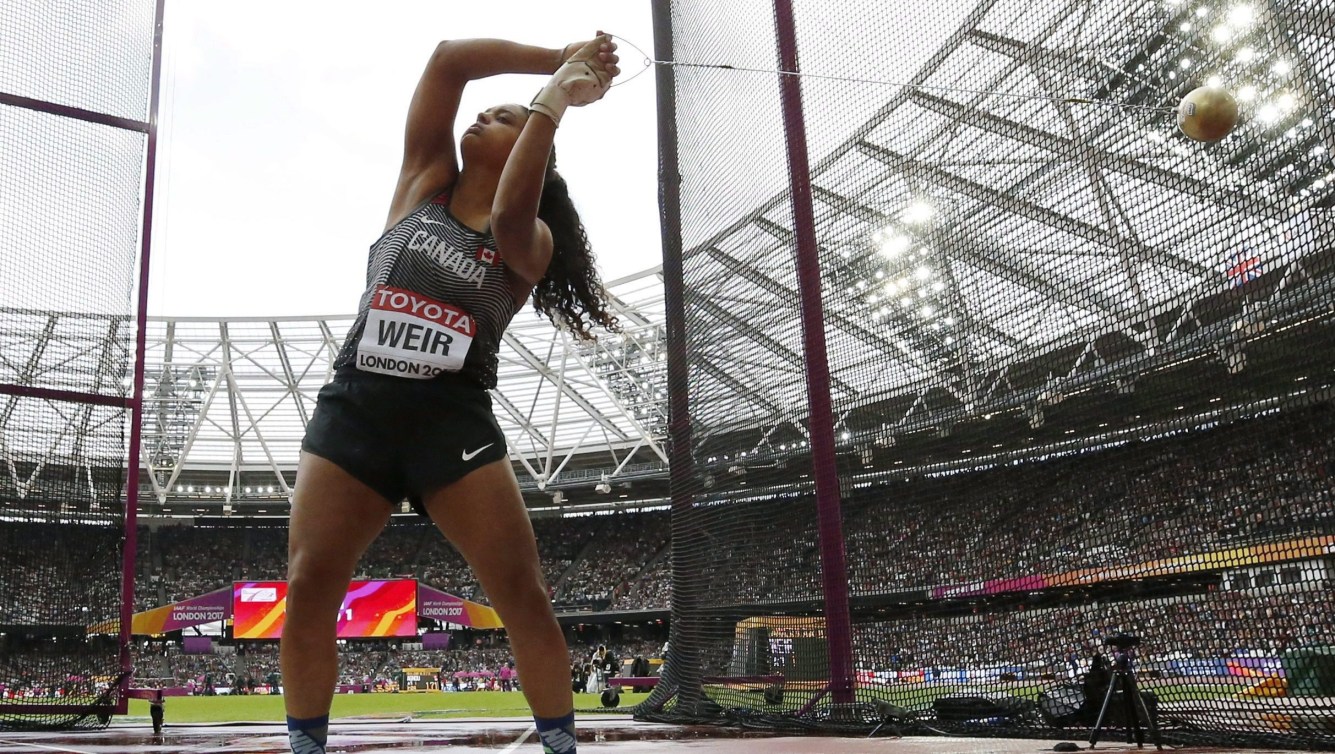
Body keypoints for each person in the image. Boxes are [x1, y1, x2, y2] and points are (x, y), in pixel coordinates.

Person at [279, 31, 621, 754]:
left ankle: (559, 742)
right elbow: (446, 60)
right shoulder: (420, 182)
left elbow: (505, 215)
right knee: (309, 581)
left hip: (451, 423)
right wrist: (556, 59)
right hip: (356, 409)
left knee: (518, 589)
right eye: (485, 112)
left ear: (534, 146)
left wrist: (553, 100)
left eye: (500, 117)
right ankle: (306, 743)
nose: (480, 117)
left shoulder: (528, 242)